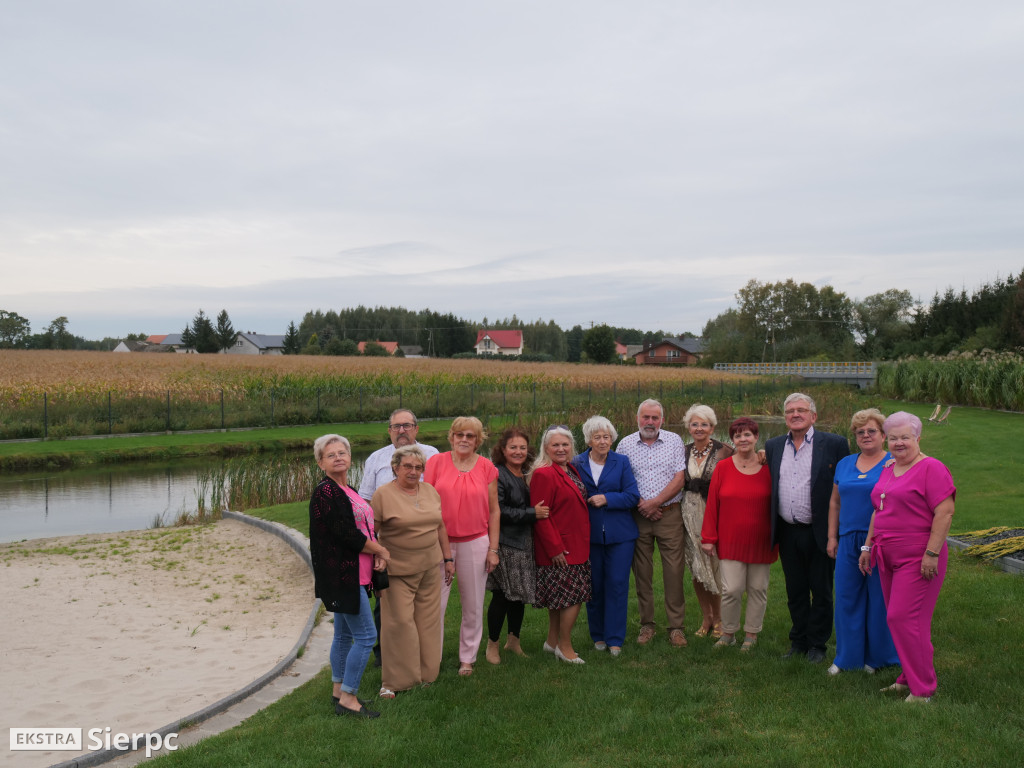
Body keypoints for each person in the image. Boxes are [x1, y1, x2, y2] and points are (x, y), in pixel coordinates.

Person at [859, 412, 955, 703]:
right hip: (887, 555)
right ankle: (907, 677)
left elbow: (945, 511)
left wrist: (932, 553)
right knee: (908, 622)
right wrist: (867, 546)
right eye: (894, 438)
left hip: (919, 556)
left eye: (905, 437)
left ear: (918, 438)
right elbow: (879, 509)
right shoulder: (889, 468)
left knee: (902, 618)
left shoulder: (932, 468)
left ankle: (923, 689)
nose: (899, 443)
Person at [309, 434, 391, 718]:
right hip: (342, 576)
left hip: (355, 572)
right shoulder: (327, 492)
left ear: (350, 457)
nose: (338, 458)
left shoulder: (349, 489)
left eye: (342, 452)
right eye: (330, 455)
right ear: (321, 463)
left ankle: (337, 691)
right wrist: (381, 549)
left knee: (343, 636)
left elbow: (365, 529)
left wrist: (376, 551)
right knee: (367, 637)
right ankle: (349, 697)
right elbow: (347, 535)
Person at [766, 392, 850, 663]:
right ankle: (799, 641)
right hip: (788, 531)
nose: (795, 414)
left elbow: (843, 490)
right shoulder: (773, 445)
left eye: (801, 410)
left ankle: (818, 645)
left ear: (813, 416)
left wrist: (834, 534)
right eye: (790, 411)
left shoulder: (834, 444)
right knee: (796, 590)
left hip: (820, 532)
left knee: (822, 591)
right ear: (785, 417)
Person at [371, 445, 456, 698]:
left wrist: (448, 558)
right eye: (408, 466)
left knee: (428, 622)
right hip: (397, 570)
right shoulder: (383, 495)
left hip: (430, 567)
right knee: (399, 624)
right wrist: (378, 555)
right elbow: (371, 532)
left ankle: (427, 675)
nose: (413, 471)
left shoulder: (430, 491)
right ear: (395, 467)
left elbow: (440, 526)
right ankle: (395, 682)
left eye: (418, 467)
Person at [358, 409, 439, 667]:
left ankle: (420, 654)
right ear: (389, 430)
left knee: (424, 606)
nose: (401, 431)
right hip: (389, 546)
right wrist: (374, 546)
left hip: (424, 543)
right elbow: (366, 503)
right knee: (390, 606)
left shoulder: (433, 455)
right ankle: (386, 656)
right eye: (396, 426)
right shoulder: (376, 458)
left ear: (417, 428)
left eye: (407, 425)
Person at [423, 416, 500, 677]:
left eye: (470, 436)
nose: (464, 440)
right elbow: (425, 501)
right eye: (460, 435)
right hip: (437, 542)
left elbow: (494, 511)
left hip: (475, 542)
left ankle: (467, 657)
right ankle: (430, 658)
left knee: (473, 604)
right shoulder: (436, 462)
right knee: (435, 604)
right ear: (452, 437)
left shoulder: (487, 467)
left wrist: (493, 548)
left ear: (478, 440)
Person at [826, 408, 900, 675]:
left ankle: (878, 657)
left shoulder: (894, 462)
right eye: (860, 432)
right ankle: (847, 658)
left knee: (879, 598)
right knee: (847, 597)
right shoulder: (845, 463)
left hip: (881, 540)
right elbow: (835, 502)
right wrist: (832, 536)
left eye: (871, 431)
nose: (866, 435)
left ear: (883, 435)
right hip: (847, 539)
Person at [700, 418, 778, 651]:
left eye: (748, 435)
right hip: (731, 539)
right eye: (738, 435)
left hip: (761, 539)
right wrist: (708, 538)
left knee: (757, 589)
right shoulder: (723, 468)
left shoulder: (769, 466)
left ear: (756, 438)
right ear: (731, 440)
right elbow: (712, 504)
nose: (743, 439)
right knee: (731, 589)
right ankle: (728, 633)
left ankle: (751, 635)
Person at [617, 399, 688, 648]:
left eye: (654, 418)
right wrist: (643, 505)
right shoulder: (625, 444)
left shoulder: (674, 441)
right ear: (637, 419)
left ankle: (676, 627)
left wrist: (656, 502)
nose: (650, 422)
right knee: (642, 573)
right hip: (637, 516)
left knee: (674, 572)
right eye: (646, 417)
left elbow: (680, 477)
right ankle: (647, 625)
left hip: (669, 514)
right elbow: (621, 480)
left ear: (662, 420)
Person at [572, 415, 640, 657]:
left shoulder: (621, 462)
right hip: (589, 536)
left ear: (612, 438)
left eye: (607, 437)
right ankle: (598, 635)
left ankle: (615, 639)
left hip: (621, 535)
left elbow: (632, 496)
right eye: (597, 437)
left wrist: (607, 498)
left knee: (617, 585)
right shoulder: (576, 463)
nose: (602, 441)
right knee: (594, 586)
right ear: (588, 440)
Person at [485, 427, 549, 664]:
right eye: (513, 447)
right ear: (503, 450)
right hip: (505, 543)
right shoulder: (498, 474)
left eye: (522, 447)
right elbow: (499, 511)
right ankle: (492, 645)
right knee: (502, 595)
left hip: (525, 543)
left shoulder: (528, 473)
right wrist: (533, 513)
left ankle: (513, 641)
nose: (518, 451)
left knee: (518, 596)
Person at [529, 425, 591, 664]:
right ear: (546, 448)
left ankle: (552, 641)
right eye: (555, 445)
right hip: (561, 548)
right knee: (573, 598)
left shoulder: (570, 469)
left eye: (565, 444)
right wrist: (554, 548)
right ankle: (565, 647)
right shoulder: (544, 474)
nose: (561, 449)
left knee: (559, 599)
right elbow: (541, 515)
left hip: (575, 543)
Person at [681, 404, 733, 639]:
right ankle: (706, 618)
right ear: (688, 427)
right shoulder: (682, 451)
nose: (699, 428)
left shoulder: (726, 451)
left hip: (715, 514)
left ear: (712, 427)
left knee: (716, 568)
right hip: (688, 516)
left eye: (704, 424)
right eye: (695, 424)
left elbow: (747, 465)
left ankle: (721, 618)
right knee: (697, 569)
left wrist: (762, 455)